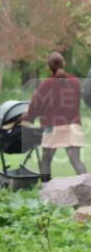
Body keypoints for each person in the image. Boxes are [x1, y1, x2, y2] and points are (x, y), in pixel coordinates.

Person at [22, 51, 86, 180]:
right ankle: (89, 189)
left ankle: (46, 188)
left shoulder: (45, 85)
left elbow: (35, 107)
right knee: (76, 161)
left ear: (48, 67)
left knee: (46, 160)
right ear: (64, 63)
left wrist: (27, 118)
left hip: (52, 126)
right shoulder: (75, 82)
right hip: (72, 125)